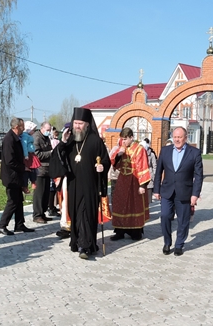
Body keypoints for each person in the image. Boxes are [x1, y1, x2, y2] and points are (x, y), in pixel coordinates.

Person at [50, 107, 111, 259]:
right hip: (73, 184)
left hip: (90, 185)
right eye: (75, 123)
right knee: (75, 214)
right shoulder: (70, 141)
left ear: (87, 124)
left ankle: (85, 246)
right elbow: (58, 157)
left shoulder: (95, 141)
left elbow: (105, 160)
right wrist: (63, 141)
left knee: (86, 214)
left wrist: (102, 166)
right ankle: (77, 242)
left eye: (80, 123)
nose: (77, 126)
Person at [153, 127, 203, 256]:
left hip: (185, 192)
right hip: (167, 190)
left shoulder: (194, 152)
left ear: (186, 138)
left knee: (183, 220)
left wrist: (195, 194)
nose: (177, 139)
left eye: (180, 137)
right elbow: (158, 172)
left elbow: (198, 176)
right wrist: (156, 190)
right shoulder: (165, 151)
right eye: (175, 137)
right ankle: (167, 242)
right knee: (164, 216)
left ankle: (179, 244)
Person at [109, 128, 151, 241]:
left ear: (131, 137)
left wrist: (142, 186)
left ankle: (135, 231)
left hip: (135, 181)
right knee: (120, 204)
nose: (123, 141)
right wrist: (119, 154)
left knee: (134, 206)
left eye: (125, 139)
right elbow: (114, 163)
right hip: (122, 180)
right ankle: (119, 231)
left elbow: (143, 166)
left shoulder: (139, 149)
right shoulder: (121, 148)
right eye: (121, 139)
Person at [0, 117, 35, 235]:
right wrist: (24, 168)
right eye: (22, 126)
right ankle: (1, 225)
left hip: (16, 175)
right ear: (17, 127)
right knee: (12, 201)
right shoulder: (9, 139)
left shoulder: (16, 138)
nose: (24, 129)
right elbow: (9, 161)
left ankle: (19, 224)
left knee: (18, 200)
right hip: (10, 176)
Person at [32, 122, 54, 223]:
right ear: (42, 128)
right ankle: (37, 215)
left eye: (50, 130)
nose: (49, 132)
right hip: (39, 170)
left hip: (47, 169)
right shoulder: (37, 137)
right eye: (47, 130)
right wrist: (50, 153)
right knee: (39, 194)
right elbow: (37, 154)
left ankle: (42, 213)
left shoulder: (46, 138)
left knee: (45, 193)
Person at [20, 121, 40, 194]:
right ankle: (25, 186)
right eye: (33, 130)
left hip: (31, 154)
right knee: (27, 171)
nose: (34, 132)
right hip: (27, 155)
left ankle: (33, 181)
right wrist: (25, 155)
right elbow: (24, 146)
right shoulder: (25, 136)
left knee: (33, 169)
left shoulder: (29, 136)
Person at [141, 138, 157, 203]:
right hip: (141, 175)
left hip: (149, 174)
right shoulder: (139, 154)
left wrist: (154, 175)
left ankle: (149, 206)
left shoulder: (151, 154)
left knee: (148, 193)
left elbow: (154, 166)